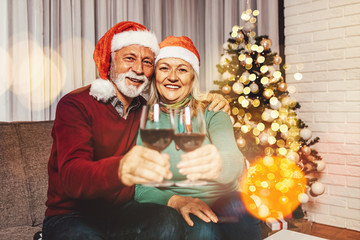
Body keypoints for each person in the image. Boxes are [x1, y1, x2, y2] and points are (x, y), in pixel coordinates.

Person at [42, 21, 229, 240]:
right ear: (110, 61)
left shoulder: (147, 112)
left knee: (168, 220)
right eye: (129, 58)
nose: (138, 69)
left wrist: (214, 99)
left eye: (147, 62)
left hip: (123, 212)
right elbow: (72, 177)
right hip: (71, 216)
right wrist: (121, 169)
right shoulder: (76, 104)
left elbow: (181, 100)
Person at [135, 36, 262, 240]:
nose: (173, 77)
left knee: (240, 209)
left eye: (182, 69)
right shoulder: (143, 120)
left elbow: (234, 160)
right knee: (203, 229)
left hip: (223, 198)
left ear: (193, 77)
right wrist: (174, 200)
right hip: (175, 203)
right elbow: (138, 186)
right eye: (164, 68)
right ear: (154, 75)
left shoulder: (212, 111)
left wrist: (216, 163)